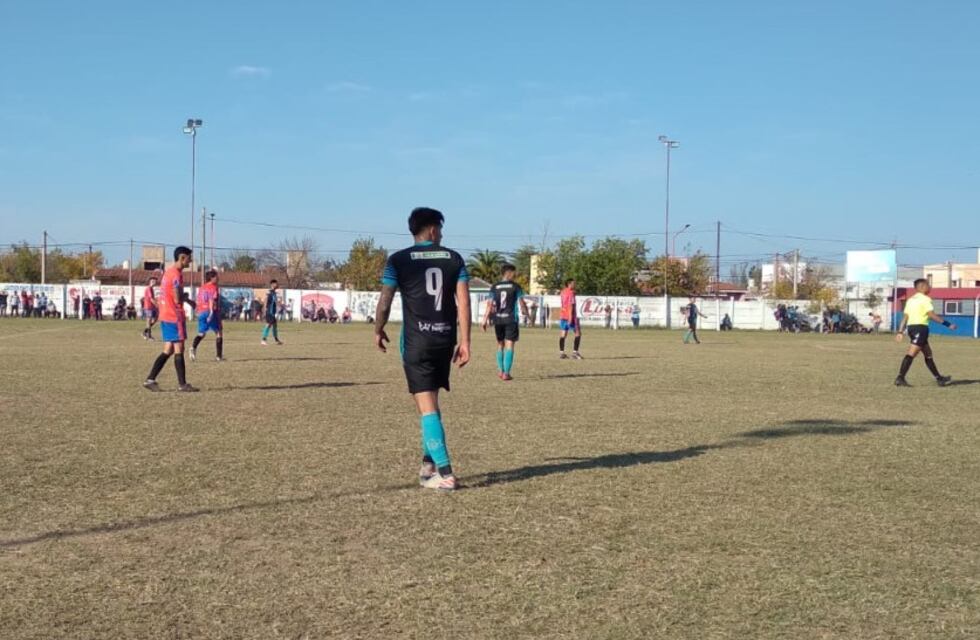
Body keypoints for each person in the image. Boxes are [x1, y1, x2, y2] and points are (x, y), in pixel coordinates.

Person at [374, 207, 470, 492]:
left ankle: (445, 472)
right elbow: (463, 303)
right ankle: (429, 467)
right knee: (429, 405)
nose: (441, 234)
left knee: (426, 407)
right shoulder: (454, 258)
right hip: (444, 340)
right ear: (431, 229)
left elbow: (385, 301)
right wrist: (466, 342)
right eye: (439, 229)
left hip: (416, 342)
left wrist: (378, 328)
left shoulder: (398, 260)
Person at [143, 246, 198, 392]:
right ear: (182, 258)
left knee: (168, 349)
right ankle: (182, 384)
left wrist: (186, 299)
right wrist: (186, 298)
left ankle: (150, 379)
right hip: (174, 315)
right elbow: (176, 298)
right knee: (179, 348)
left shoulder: (168, 273)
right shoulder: (176, 274)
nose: (191, 260)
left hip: (165, 315)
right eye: (189, 258)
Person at [894, 278, 956, 387]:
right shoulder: (925, 299)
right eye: (928, 285)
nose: (930, 287)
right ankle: (900, 378)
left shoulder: (910, 300)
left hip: (911, 329)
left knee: (928, 354)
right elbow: (931, 315)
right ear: (922, 287)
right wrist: (947, 324)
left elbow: (905, 317)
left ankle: (939, 378)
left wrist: (900, 331)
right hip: (920, 329)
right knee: (911, 354)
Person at [482, 263, 529, 381]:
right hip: (510, 319)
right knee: (509, 345)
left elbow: (489, 304)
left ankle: (500, 371)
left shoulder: (494, 286)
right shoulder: (516, 287)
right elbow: (522, 302)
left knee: (500, 345)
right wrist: (526, 313)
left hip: (498, 319)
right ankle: (506, 373)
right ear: (508, 273)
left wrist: (485, 319)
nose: (515, 275)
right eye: (514, 272)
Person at [191, 269, 224, 362]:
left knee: (201, 333)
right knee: (219, 332)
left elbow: (198, 300)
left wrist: (198, 311)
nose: (218, 278)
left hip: (201, 312)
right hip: (210, 312)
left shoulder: (202, 288)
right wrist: (212, 312)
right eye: (216, 276)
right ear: (212, 278)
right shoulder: (214, 287)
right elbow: (212, 300)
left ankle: (193, 347)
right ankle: (219, 356)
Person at [558, 279, 583, 359]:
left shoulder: (562, 292)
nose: (575, 285)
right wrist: (570, 318)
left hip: (563, 315)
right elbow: (571, 306)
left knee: (563, 334)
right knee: (578, 333)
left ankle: (562, 353)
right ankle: (575, 353)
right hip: (570, 315)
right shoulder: (571, 293)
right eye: (573, 283)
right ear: (569, 284)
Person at [261, 280, 284, 345]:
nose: (277, 285)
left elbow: (275, 302)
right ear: (273, 284)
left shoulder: (274, 293)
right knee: (268, 325)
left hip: (273, 312)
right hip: (269, 311)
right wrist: (264, 310)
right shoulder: (269, 292)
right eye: (276, 284)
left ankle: (276, 340)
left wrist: (278, 306)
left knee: (274, 325)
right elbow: (265, 301)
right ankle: (263, 340)